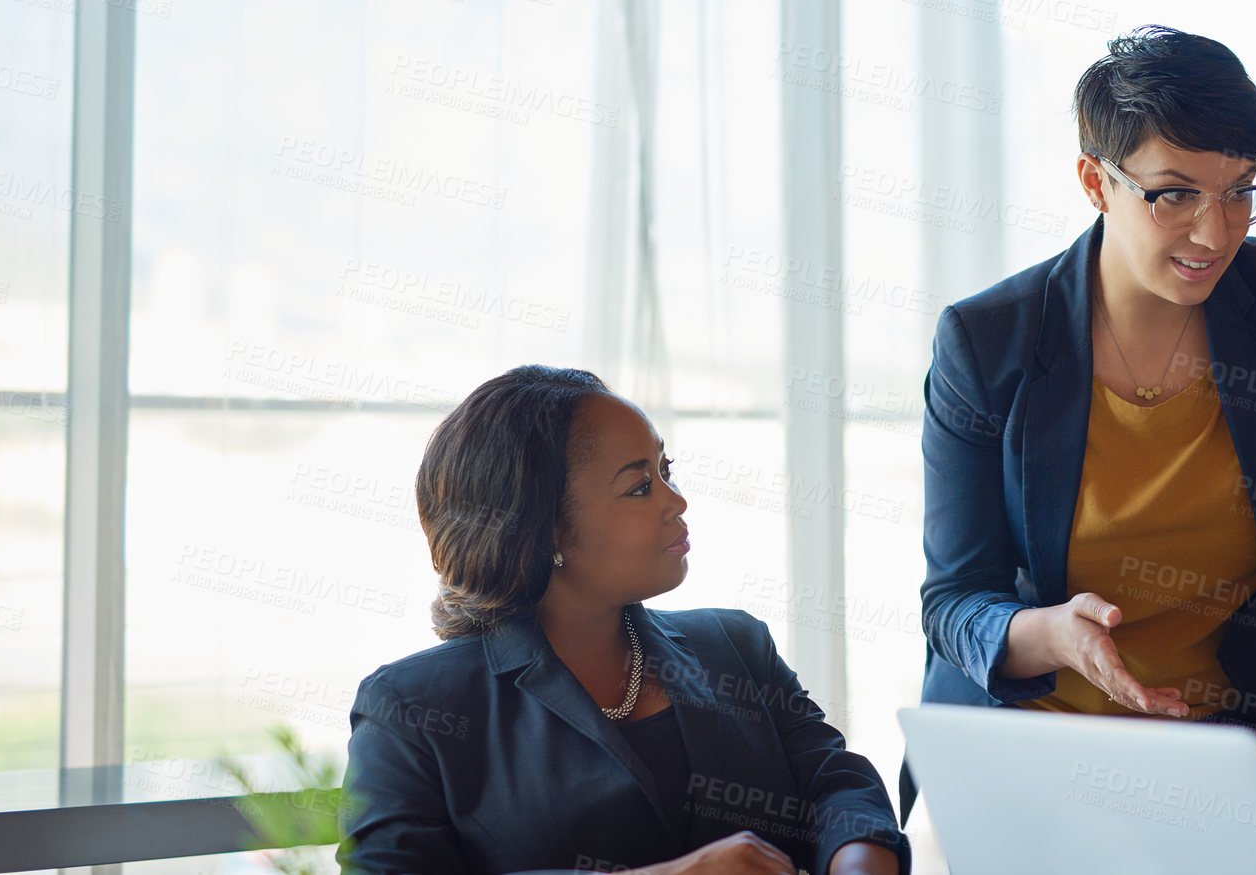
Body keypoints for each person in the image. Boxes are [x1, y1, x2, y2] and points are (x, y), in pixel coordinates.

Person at [918, 25, 1256, 785]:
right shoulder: (987, 339)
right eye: (1173, 194)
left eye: (1240, 190)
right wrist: (1048, 633)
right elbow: (954, 600)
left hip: (1240, 752)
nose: (1215, 230)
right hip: (1033, 752)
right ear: (1094, 181)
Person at [339, 366, 908, 875]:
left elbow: (835, 782)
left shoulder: (736, 646)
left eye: (666, 470)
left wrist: (858, 857)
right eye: (639, 486)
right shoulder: (411, 709)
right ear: (545, 531)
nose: (675, 501)